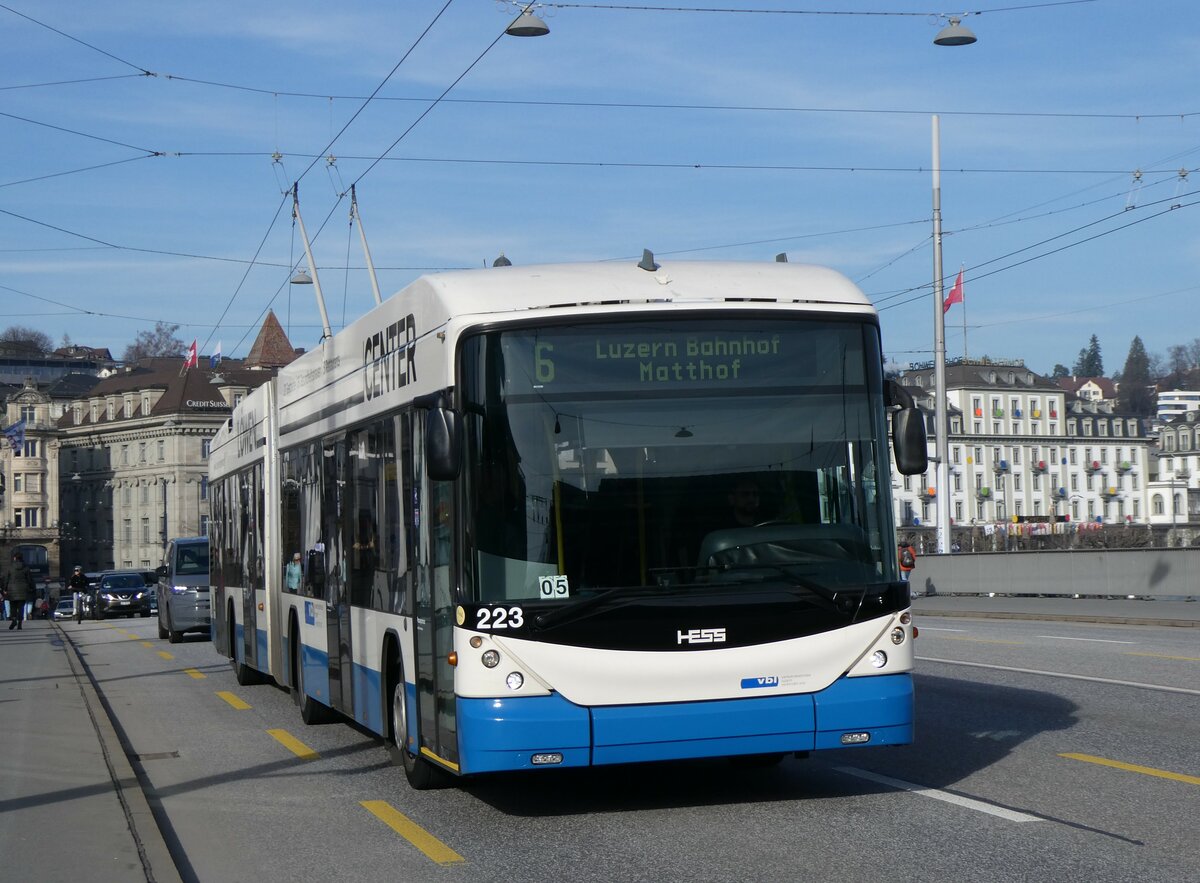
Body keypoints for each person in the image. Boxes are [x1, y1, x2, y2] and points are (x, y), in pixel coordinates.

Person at [6, 552, 35, 630]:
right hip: (23, 590)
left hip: (12, 590)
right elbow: (30, 579)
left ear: (14, 558)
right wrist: (32, 588)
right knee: (21, 607)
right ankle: (20, 623)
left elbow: (6, 579)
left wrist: (4, 589)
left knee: (13, 607)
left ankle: (14, 619)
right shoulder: (26, 568)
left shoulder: (10, 567)